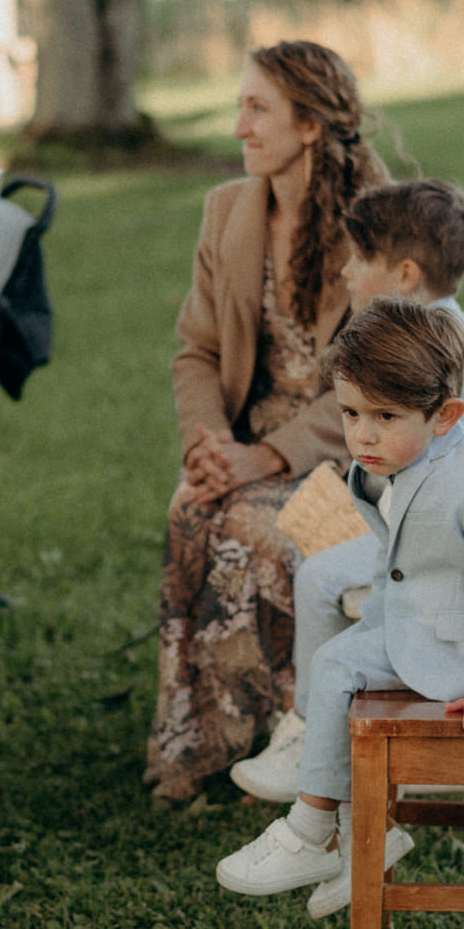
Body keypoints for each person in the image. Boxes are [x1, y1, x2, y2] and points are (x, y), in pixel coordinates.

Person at [214, 298, 464, 918]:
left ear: (446, 415)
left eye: (384, 415)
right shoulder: (388, 461)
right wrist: (377, 624)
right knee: (335, 664)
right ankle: (353, 836)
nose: (363, 434)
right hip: (425, 621)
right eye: (350, 413)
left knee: (335, 669)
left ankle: (310, 830)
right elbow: (392, 559)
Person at [231, 178, 464, 803]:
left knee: (320, 574)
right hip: (437, 524)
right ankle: (312, 724)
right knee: (309, 549)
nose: (348, 273)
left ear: (405, 275)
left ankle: (310, 733)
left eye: (359, 260)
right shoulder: (427, 341)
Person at [144, 40, 390, 803]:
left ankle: (296, 737)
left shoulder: (377, 218)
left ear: (310, 124)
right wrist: (209, 446)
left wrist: (268, 458)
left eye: (257, 108)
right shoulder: (228, 209)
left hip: (356, 454)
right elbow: (196, 351)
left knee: (254, 529)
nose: (239, 126)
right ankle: (202, 742)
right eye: (241, 106)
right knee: (194, 508)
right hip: (247, 445)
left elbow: (381, 378)